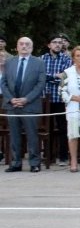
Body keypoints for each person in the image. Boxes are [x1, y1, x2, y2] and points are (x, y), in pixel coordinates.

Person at [2, 37, 46, 172]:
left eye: (27, 44)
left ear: (32, 47)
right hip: (12, 105)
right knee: (14, 136)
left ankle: (34, 163)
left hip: (30, 105)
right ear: (17, 47)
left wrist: (26, 99)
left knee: (32, 135)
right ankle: (15, 163)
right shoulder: (9, 62)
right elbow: (3, 82)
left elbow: (40, 84)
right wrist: (11, 99)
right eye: (21, 44)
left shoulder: (39, 62)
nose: (24, 46)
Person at [41, 33, 73, 164]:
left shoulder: (67, 60)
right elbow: (40, 77)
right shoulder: (41, 59)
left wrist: (49, 78)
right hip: (45, 99)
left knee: (63, 128)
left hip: (61, 99)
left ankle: (63, 156)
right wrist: (55, 76)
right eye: (55, 42)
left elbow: (66, 77)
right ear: (49, 45)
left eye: (60, 42)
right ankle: (48, 156)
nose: (58, 44)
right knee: (46, 129)